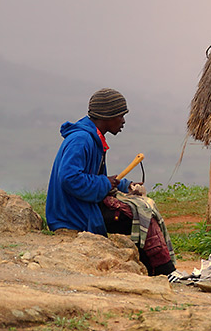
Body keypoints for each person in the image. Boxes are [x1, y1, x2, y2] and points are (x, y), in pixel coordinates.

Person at [46, 88, 146, 234]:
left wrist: (126, 185)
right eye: (121, 116)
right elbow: (70, 179)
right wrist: (105, 183)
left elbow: (94, 177)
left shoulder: (92, 138)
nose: (123, 121)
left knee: (138, 212)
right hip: (71, 217)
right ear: (108, 115)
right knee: (136, 219)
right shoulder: (81, 140)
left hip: (79, 209)